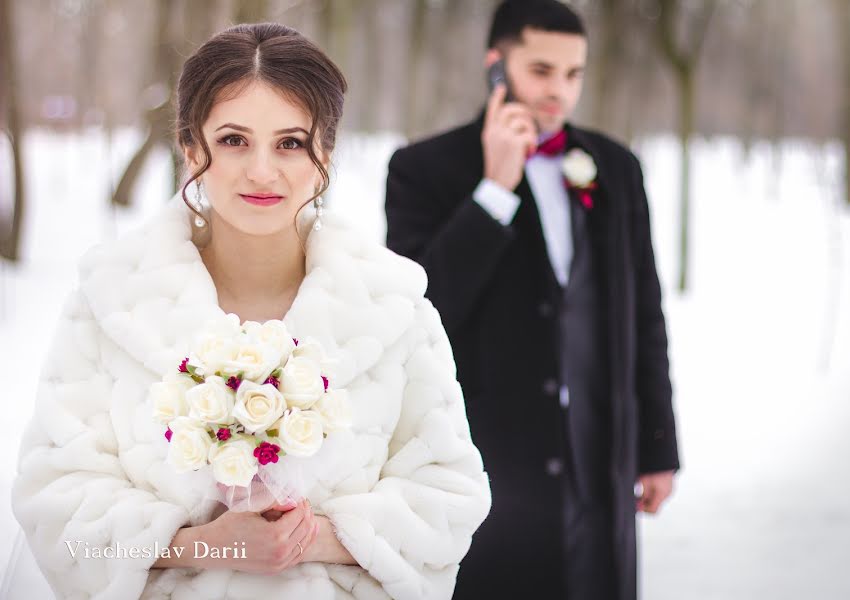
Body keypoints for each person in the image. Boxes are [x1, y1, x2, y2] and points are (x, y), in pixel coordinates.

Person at [10, 22, 490, 600]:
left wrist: (312, 540)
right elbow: (56, 507)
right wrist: (210, 545)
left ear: (325, 155)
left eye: (290, 142)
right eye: (234, 139)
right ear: (193, 147)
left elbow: (448, 497)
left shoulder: (395, 308)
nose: (263, 171)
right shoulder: (108, 303)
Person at [384, 1, 679, 598]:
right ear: (497, 65)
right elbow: (420, 314)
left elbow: (643, 313)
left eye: (573, 74)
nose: (559, 93)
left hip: (601, 459)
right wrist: (495, 189)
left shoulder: (616, 168)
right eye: (542, 71)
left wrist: (656, 445)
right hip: (490, 463)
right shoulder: (423, 169)